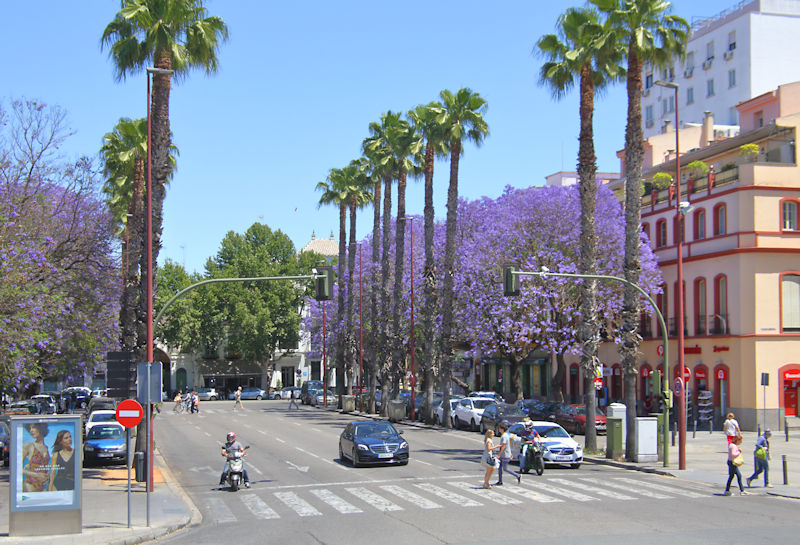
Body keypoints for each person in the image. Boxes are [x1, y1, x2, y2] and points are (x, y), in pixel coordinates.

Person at [22, 423, 51, 492]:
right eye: (30, 428)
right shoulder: (29, 446)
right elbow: (17, 468)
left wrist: (47, 475)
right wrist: (37, 475)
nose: (31, 430)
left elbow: (43, 466)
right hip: (30, 484)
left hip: (42, 485)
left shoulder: (46, 447)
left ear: (41, 428)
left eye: (34, 427)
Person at [495, 421, 521, 486]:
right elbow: (507, 446)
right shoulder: (506, 435)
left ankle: (517, 475)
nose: (498, 429)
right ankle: (500, 481)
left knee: (505, 468)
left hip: (504, 455)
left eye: (499, 428)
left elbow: (503, 446)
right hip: (505, 454)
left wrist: (499, 455)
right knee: (499, 468)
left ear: (502, 429)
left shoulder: (504, 436)